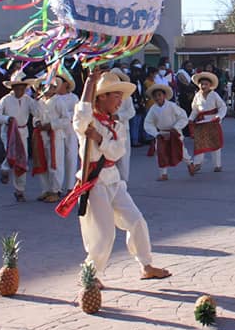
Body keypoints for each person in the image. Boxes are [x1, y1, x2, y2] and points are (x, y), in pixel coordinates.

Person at [68, 70, 170, 286]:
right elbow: (81, 116)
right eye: (116, 96)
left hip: (114, 180)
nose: (120, 101)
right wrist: (89, 83)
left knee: (136, 221)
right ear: (102, 96)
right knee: (104, 234)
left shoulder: (116, 124)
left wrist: (100, 139)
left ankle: (146, 265)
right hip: (93, 183)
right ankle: (89, 274)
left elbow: (117, 151)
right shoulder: (89, 121)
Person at [0, 70, 39, 202]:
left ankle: (19, 190)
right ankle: (5, 168)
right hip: (9, 132)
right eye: (17, 88)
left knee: (22, 159)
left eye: (22, 88)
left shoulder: (28, 100)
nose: (20, 91)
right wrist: (7, 119)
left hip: (23, 131)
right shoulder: (5, 100)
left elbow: (37, 112)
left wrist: (39, 100)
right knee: (13, 153)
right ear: (12, 88)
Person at [143, 83, 193, 180]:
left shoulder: (172, 106)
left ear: (164, 96)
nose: (157, 98)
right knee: (161, 152)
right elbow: (148, 123)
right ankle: (163, 174)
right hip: (161, 133)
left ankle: (190, 163)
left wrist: (176, 127)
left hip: (174, 132)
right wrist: (156, 133)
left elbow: (183, 117)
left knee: (180, 151)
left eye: (159, 95)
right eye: (155, 96)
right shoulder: (153, 109)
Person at [188, 71, 226, 173]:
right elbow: (195, 109)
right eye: (201, 84)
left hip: (213, 121)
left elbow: (222, 107)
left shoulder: (214, 95)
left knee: (215, 143)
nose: (203, 86)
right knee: (200, 143)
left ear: (210, 85)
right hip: (201, 122)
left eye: (206, 84)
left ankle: (217, 165)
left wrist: (218, 117)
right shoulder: (197, 96)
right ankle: (197, 164)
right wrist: (191, 119)